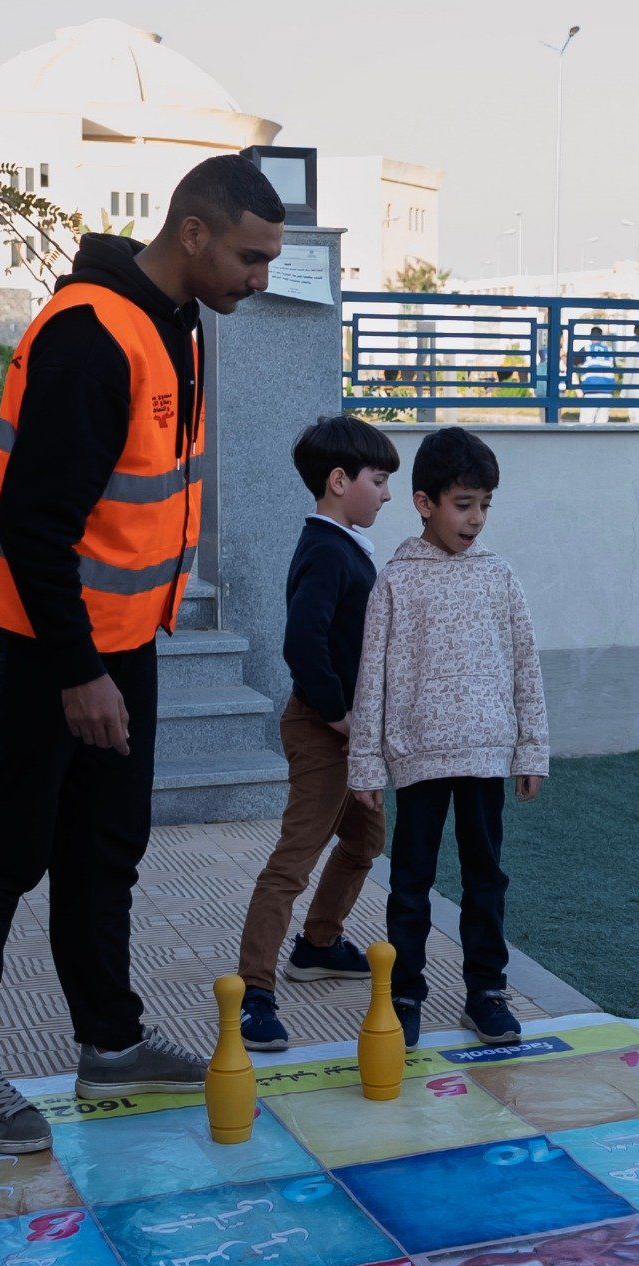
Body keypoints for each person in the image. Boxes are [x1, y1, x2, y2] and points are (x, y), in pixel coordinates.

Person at [0, 153, 284, 1154]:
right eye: (251, 257)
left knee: (103, 847)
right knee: (0, 856)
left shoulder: (177, 321)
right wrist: (78, 671)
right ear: (196, 232)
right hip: (26, 639)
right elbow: (38, 527)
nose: (260, 280)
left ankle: (110, 1041)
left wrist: (110, 656)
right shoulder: (90, 333)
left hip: (117, 638)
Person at [348, 428, 547, 1048]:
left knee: (486, 877)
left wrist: (531, 746)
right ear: (425, 502)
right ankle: (404, 994)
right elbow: (371, 676)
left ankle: (487, 992)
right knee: (411, 882)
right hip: (419, 760)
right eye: (464, 504)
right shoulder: (397, 581)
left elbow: (525, 663)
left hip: (487, 754)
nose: (477, 519)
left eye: (485, 504)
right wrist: (366, 765)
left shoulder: (498, 576)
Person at [231, 414, 402, 1051]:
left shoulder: (345, 544)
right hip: (324, 730)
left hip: (350, 734)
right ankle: (255, 992)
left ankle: (319, 944)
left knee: (363, 842)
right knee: (293, 862)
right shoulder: (326, 550)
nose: (386, 494)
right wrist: (342, 720)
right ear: (338, 480)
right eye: (379, 480)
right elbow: (301, 645)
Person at [575, 323, 617, 423]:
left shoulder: (586, 349)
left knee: (586, 423)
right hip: (606, 392)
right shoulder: (609, 350)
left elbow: (574, 362)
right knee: (602, 424)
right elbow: (614, 367)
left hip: (590, 390)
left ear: (590, 337)